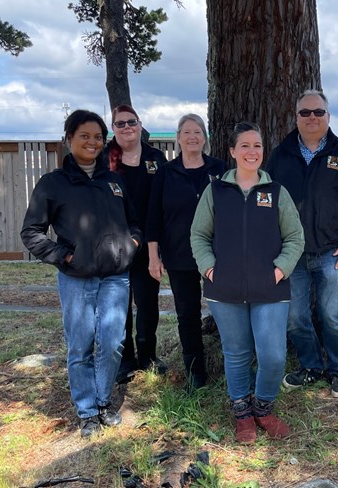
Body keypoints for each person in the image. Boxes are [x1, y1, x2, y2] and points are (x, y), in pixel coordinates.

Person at [21, 110, 142, 438]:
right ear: (69, 139)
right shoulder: (53, 184)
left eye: (98, 137)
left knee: (113, 341)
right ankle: (87, 411)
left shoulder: (114, 181)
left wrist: (132, 242)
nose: (92, 142)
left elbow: (133, 220)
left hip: (116, 277)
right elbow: (31, 232)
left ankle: (103, 401)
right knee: (80, 346)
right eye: (84, 136)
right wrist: (64, 256)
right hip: (77, 278)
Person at [190, 122, 304, 443]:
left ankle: (263, 408)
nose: (251, 152)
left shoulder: (276, 192)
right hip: (224, 289)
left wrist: (280, 269)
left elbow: (295, 237)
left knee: (273, 356)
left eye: (257, 146)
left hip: (270, 288)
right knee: (237, 353)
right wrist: (209, 268)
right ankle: (242, 413)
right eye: (245, 146)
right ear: (232, 152)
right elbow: (199, 235)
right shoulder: (215, 192)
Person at [266, 89, 338, 398]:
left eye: (318, 112)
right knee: (295, 317)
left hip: (333, 252)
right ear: (296, 117)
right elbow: (266, 203)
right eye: (305, 112)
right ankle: (310, 366)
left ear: (328, 116)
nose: (312, 117)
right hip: (291, 254)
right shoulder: (280, 156)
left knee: (333, 314)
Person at [146, 114, 225, 389]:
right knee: (187, 314)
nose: (192, 137)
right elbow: (154, 217)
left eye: (198, 131)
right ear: (178, 138)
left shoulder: (220, 169)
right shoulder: (166, 173)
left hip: (217, 255)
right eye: (186, 132)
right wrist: (153, 256)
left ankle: (232, 365)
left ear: (205, 137)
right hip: (179, 255)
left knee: (226, 310)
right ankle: (195, 372)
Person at [105, 105, 169, 382]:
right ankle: (125, 359)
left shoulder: (156, 158)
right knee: (119, 305)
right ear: (113, 128)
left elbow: (164, 202)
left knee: (147, 303)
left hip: (149, 244)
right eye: (120, 124)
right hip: (115, 246)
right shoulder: (104, 158)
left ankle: (147, 355)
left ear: (141, 125)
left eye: (132, 122)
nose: (127, 127)